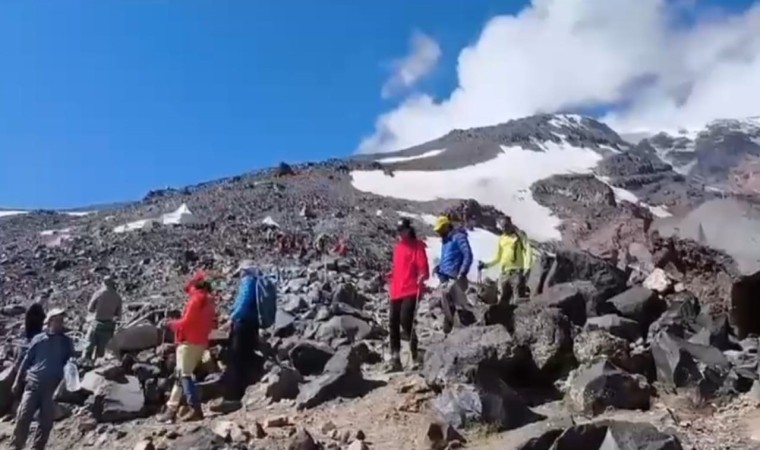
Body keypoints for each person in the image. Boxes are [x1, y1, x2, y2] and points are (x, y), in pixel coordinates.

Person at [11, 308, 75, 450]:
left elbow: (70, 362)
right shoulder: (38, 339)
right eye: (57, 320)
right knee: (23, 416)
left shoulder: (66, 342)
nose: (61, 323)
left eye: (62, 320)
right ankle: (17, 446)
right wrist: (17, 380)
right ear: (50, 322)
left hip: (52, 388)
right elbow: (26, 360)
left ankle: (37, 448)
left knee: (45, 423)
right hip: (33, 384)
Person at [159, 272, 217, 423]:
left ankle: (195, 408)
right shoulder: (210, 300)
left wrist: (170, 324)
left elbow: (187, 322)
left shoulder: (196, 300)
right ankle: (171, 409)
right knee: (181, 375)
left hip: (188, 343)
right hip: (201, 342)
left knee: (184, 375)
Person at [211, 260, 261, 414]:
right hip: (251, 325)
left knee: (235, 359)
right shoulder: (256, 282)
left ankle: (231, 398)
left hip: (243, 325)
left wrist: (231, 318)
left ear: (245, 271)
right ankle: (242, 394)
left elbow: (243, 304)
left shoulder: (248, 282)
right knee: (244, 359)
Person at [387, 218, 429, 372]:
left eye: (402, 230)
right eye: (399, 231)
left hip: (411, 288)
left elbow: (422, 265)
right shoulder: (398, 248)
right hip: (397, 288)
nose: (400, 233)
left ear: (408, 230)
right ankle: (395, 357)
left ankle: (414, 353)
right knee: (393, 322)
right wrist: (390, 275)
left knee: (406, 320)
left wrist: (423, 274)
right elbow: (398, 268)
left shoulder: (417, 246)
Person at [432, 215, 475, 333]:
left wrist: (463, 271)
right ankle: (450, 332)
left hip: (456, 277)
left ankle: (470, 329)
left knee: (459, 305)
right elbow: (447, 259)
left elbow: (468, 255)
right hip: (446, 278)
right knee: (448, 305)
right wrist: (439, 268)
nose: (439, 232)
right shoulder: (445, 241)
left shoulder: (459, 237)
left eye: (441, 229)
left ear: (447, 226)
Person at [478, 216, 532, 305]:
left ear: (510, 224)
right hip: (504, 273)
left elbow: (528, 250)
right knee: (503, 300)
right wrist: (485, 265)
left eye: (506, 225)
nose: (504, 228)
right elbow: (498, 258)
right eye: (502, 227)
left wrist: (527, 266)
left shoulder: (519, 235)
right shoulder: (502, 239)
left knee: (517, 298)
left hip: (516, 271)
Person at [84, 276, 123, 362]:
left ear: (104, 283)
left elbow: (90, 308)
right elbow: (118, 316)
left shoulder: (99, 293)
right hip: (108, 327)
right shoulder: (117, 297)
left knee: (88, 348)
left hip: (96, 325)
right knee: (102, 354)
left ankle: (85, 366)